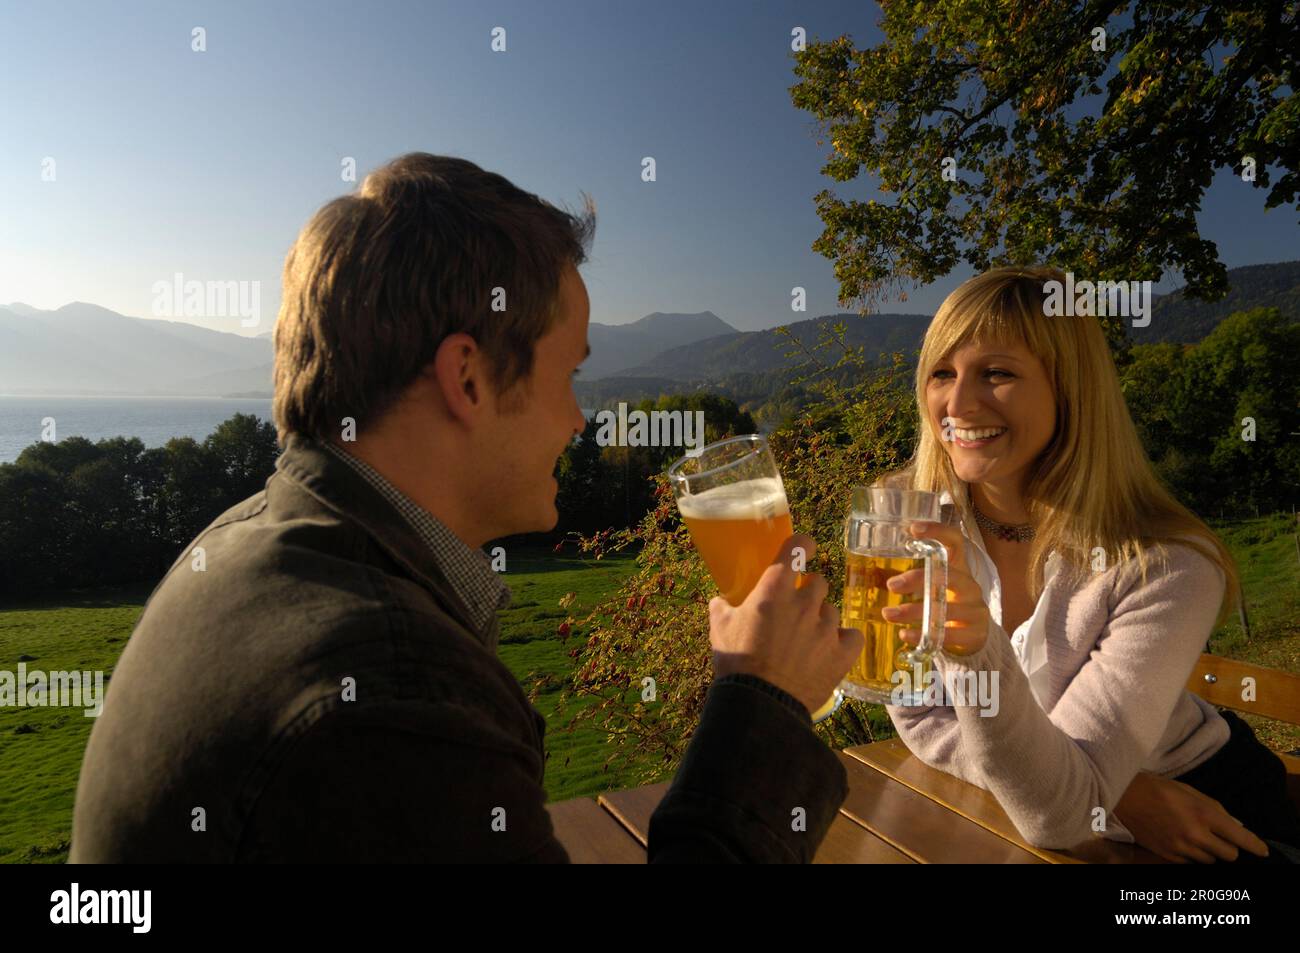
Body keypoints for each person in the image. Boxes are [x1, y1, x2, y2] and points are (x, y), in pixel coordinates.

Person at [69, 153, 862, 863]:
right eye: (570, 375)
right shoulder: (391, 696)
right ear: (469, 378)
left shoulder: (248, 545)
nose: (578, 420)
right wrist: (764, 701)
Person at [878, 265, 1300, 863]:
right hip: (1104, 807)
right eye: (942, 372)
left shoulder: (1165, 565)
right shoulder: (908, 520)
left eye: (997, 373)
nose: (959, 402)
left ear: (1069, 391)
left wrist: (978, 655)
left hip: (1208, 814)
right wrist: (1118, 796)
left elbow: (1060, 818)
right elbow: (919, 716)